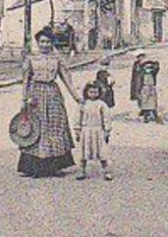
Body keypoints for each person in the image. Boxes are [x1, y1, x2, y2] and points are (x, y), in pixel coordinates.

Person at [18, 27, 80, 177]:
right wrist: (24, 99)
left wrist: (77, 97)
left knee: (55, 126)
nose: (45, 45)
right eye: (42, 42)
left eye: (48, 42)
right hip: (36, 94)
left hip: (53, 94)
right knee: (37, 127)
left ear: (52, 43)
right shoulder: (31, 59)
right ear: (38, 43)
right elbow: (25, 80)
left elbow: (66, 78)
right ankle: (34, 167)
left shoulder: (57, 59)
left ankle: (54, 166)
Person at [76, 81, 113, 181]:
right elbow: (77, 118)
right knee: (84, 152)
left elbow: (106, 117)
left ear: (99, 93)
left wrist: (107, 130)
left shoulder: (101, 104)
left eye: (95, 92)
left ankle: (106, 171)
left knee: (102, 152)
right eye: (91, 92)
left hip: (98, 130)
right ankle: (82, 171)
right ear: (86, 92)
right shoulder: (83, 104)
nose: (93, 94)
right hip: (86, 130)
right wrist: (77, 130)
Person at [135, 54, 161, 122]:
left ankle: (154, 115)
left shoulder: (152, 73)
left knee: (152, 102)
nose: (148, 69)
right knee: (145, 103)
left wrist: (155, 63)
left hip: (151, 88)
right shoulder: (141, 74)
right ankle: (146, 116)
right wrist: (138, 92)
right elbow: (138, 83)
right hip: (144, 88)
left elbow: (156, 68)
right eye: (146, 67)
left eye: (149, 67)